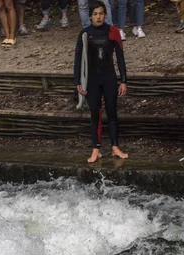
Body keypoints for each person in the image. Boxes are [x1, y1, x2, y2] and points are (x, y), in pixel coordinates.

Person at [74, 0, 128, 163]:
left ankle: (115, 147)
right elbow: (78, 60)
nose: (98, 17)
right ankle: (96, 149)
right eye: (95, 14)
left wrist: (123, 80)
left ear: (105, 15)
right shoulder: (84, 34)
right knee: (95, 114)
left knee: (112, 113)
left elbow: (120, 58)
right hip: (92, 80)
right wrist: (78, 82)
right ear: (90, 17)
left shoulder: (112, 32)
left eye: (101, 14)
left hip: (109, 78)